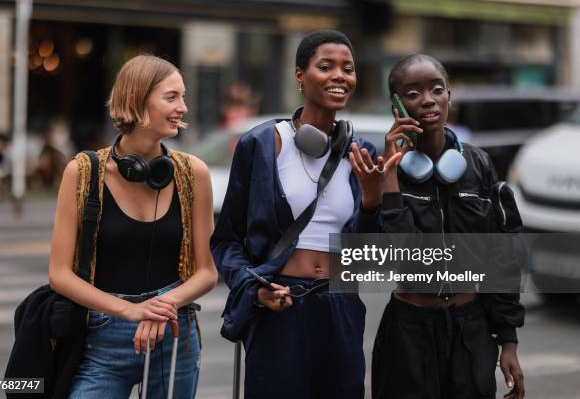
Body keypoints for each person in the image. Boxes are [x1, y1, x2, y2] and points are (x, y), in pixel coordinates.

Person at [211, 30, 400, 398]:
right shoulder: (262, 144)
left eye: (348, 68)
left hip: (340, 305)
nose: (339, 76)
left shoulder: (358, 152)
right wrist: (254, 289)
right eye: (325, 66)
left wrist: (373, 201)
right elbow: (226, 240)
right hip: (280, 306)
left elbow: (369, 257)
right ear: (300, 75)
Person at [48, 54, 218, 398]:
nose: (183, 107)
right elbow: (60, 274)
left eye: (183, 97)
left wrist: (161, 307)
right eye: (171, 97)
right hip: (103, 339)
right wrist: (131, 310)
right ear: (134, 101)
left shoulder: (192, 173)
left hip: (174, 336)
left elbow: (207, 272)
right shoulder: (83, 173)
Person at [372, 54, 525, 399]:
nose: (427, 99)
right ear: (396, 106)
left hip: (471, 329)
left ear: (449, 96)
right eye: (412, 93)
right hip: (408, 331)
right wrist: (391, 175)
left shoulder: (479, 164)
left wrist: (508, 341)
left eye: (436, 89)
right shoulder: (385, 173)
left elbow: (500, 255)